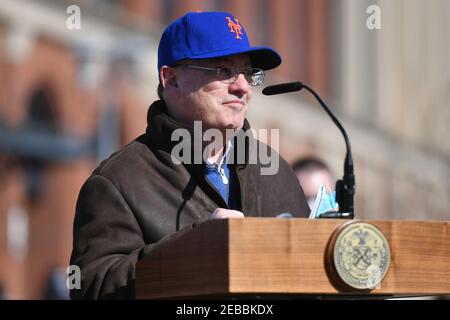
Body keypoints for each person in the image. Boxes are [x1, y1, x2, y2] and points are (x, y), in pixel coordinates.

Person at [70, 11, 310, 299]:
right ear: (171, 79)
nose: (243, 87)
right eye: (223, 70)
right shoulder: (117, 181)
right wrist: (196, 247)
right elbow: (91, 288)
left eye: (248, 73)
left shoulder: (276, 172)